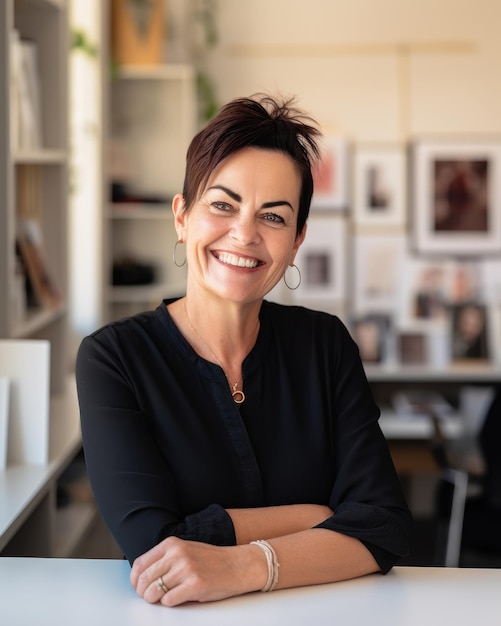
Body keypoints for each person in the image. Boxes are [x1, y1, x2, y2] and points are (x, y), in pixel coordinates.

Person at [76, 94, 412, 608]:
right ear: (182, 216)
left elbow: (384, 526)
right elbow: (156, 552)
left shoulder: (325, 345)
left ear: (297, 239)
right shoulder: (114, 359)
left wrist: (241, 563)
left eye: (273, 218)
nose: (245, 234)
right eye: (222, 205)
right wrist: (319, 516)